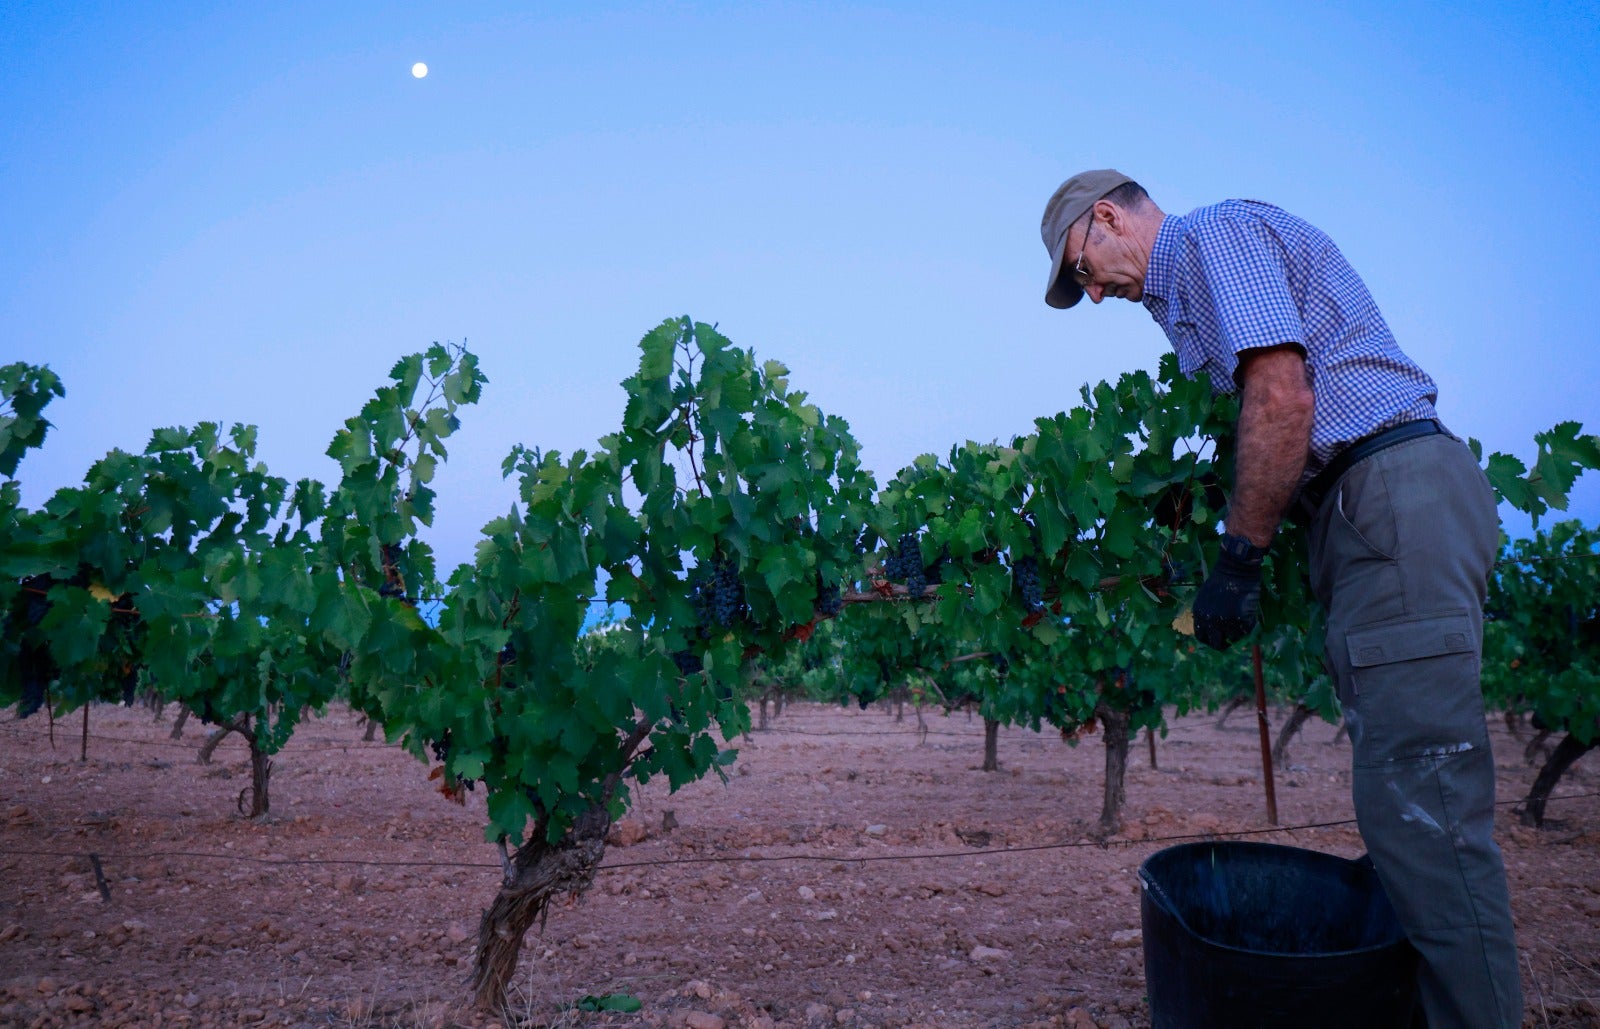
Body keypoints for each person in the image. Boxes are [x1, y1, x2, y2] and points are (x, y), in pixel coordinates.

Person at [1039, 170, 1522, 1027]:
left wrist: (1238, 556)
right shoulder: (1200, 278)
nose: (1096, 295)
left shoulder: (1215, 238)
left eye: (1083, 269)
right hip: (1373, 518)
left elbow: (1283, 394)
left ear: (1106, 217)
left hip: (1387, 504)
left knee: (1429, 815)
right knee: (1405, 813)